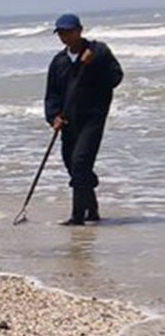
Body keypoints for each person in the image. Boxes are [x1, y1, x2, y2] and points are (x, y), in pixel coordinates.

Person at [44, 14, 123, 226]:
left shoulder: (99, 52)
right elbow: (52, 94)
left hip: (93, 117)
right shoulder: (59, 61)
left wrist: (94, 63)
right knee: (73, 165)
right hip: (68, 120)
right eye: (61, 33)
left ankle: (77, 217)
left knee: (80, 163)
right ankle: (92, 209)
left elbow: (116, 78)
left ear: (80, 30)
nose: (65, 37)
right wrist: (53, 116)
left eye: (68, 32)